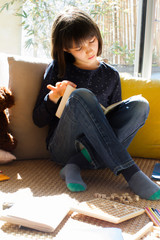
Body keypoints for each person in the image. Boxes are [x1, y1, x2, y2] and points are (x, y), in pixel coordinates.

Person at [33, 6, 160, 200]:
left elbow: (112, 128)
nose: (89, 50)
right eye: (79, 48)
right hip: (62, 148)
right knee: (81, 96)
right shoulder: (58, 68)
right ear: (66, 49)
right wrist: (53, 98)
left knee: (140, 105)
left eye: (92, 41)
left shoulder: (111, 75)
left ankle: (74, 165)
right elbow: (38, 120)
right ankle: (131, 172)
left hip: (99, 150)